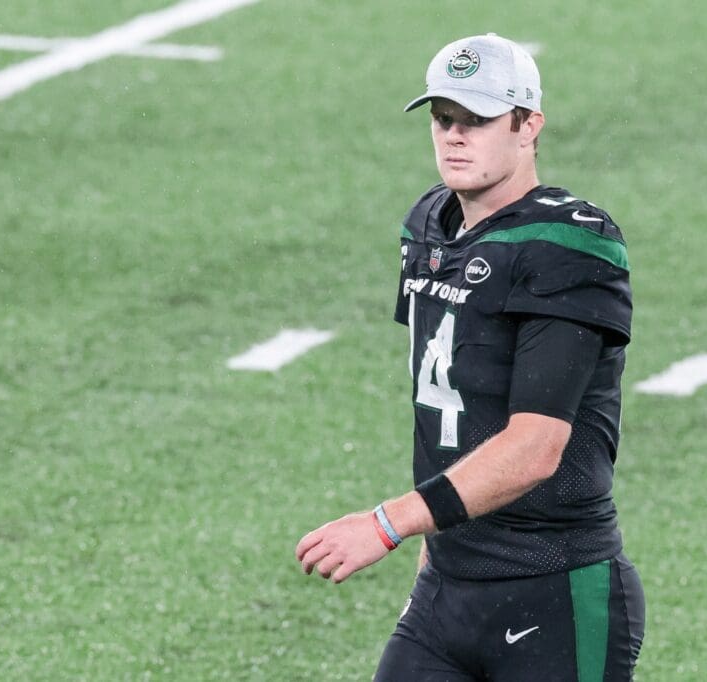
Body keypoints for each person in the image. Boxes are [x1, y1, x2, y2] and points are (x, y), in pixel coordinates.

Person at [295, 33, 644, 681]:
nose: (455, 137)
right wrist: (433, 556)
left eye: (478, 120)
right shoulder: (428, 224)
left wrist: (386, 525)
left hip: (554, 588)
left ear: (527, 126)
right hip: (448, 590)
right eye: (443, 119)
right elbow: (451, 412)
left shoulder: (567, 245)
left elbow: (535, 448)